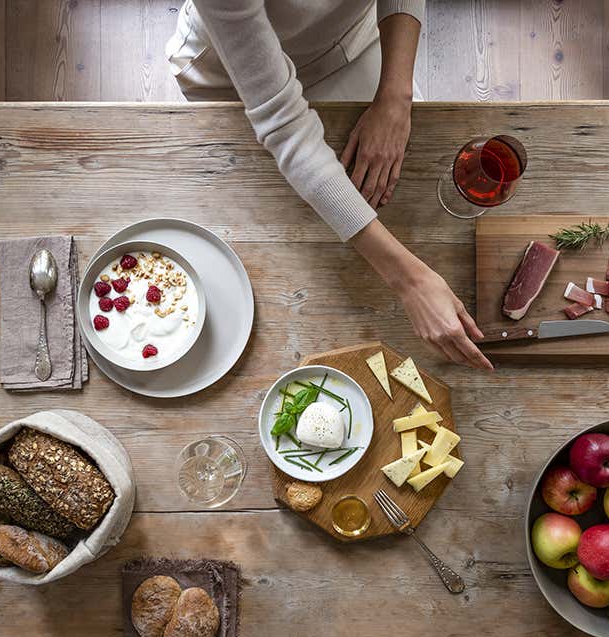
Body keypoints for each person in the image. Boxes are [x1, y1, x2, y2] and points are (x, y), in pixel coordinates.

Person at [167, 0, 493, 370]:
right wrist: (411, 282)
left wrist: (395, 99)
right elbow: (285, 127)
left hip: (350, 40)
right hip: (234, 77)